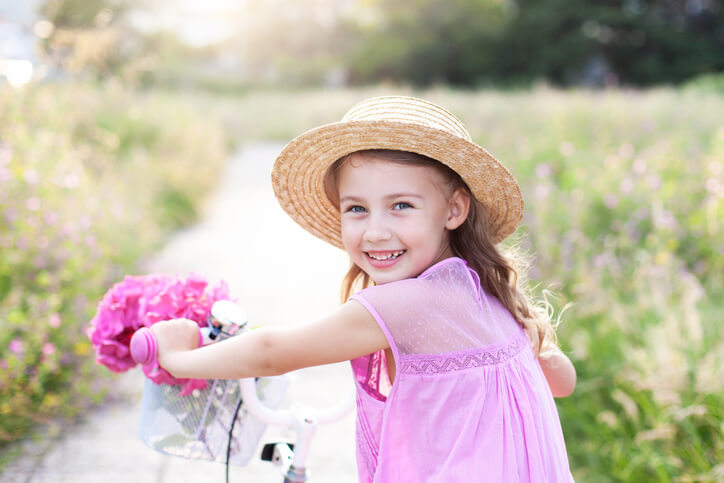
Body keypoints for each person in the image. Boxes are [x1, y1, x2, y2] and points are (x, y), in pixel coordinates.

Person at [151, 96, 576, 482]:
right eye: (356, 208)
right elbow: (563, 381)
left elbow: (271, 352)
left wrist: (176, 358)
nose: (375, 232)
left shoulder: (409, 304)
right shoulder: (487, 290)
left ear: (454, 209)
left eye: (401, 206)